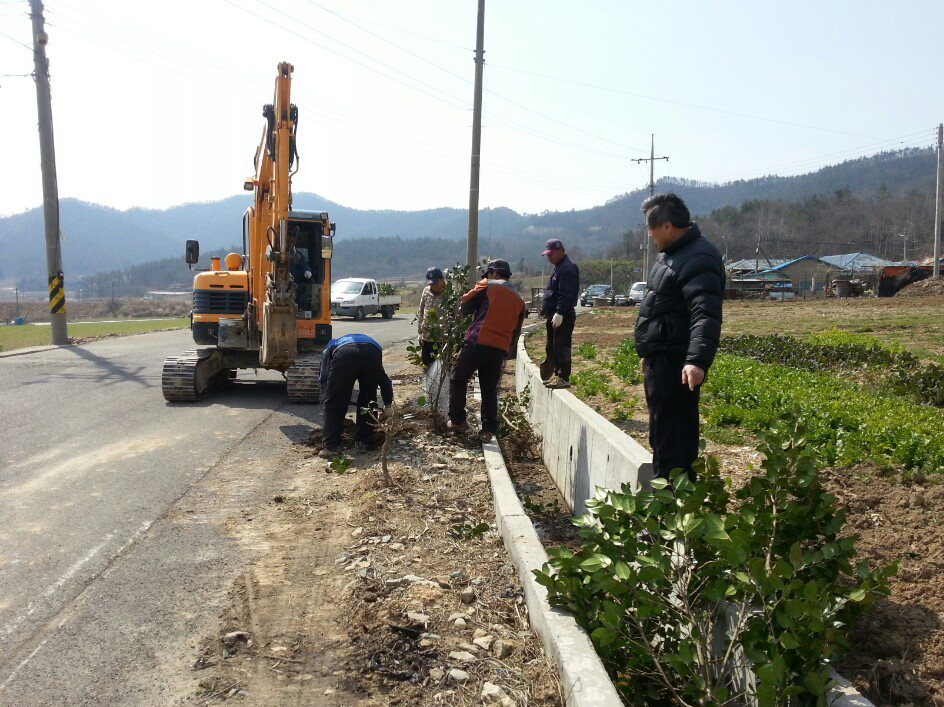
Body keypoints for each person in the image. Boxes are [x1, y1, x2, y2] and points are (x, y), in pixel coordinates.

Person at [633, 193, 724, 482]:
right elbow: (660, 308)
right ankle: (666, 509)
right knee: (661, 437)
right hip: (663, 361)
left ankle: (674, 514)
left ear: (668, 226)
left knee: (675, 442)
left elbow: (705, 312)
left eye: (651, 229)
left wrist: (696, 360)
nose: (649, 236)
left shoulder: (698, 257)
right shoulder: (672, 256)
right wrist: (649, 353)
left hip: (677, 366)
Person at [447, 259, 526, 443]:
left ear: (493, 273)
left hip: (477, 341)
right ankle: (488, 430)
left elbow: (465, 305)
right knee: (489, 389)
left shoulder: (488, 285)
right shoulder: (519, 299)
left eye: (488, 274)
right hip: (499, 349)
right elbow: (517, 330)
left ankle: (457, 420)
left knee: (458, 378)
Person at [319, 333, 394, 458]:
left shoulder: (332, 345)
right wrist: (388, 404)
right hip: (371, 353)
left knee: (335, 401)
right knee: (369, 398)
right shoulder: (374, 346)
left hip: (345, 354)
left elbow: (324, 374)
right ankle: (363, 441)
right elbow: (384, 380)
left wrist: (327, 391)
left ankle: (331, 447)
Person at [540, 239, 580, 389]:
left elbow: (566, 293)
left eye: (551, 254)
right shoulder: (558, 267)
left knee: (561, 346)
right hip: (554, 314)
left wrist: (560, 312)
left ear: (560, 251)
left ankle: (564, 377)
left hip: (563, 315)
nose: (549, 258)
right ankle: (557, 373)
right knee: (552, 346)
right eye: (547, 255)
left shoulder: (568, 269)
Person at [417, 267, 446, 368]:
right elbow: (421, 311)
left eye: (435, 283)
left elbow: (455, 316)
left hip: (442, 340)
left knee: (441, 369)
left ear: (442, 280)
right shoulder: (426, 291)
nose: (433, 286)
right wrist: (420, 332)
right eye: (431, 284)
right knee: (427, 367)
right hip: (427, 338)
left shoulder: (449, 295)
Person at [287, 230, 313, 313]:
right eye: (288, 241)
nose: (289, 244)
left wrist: (307, 271)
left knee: (303, 287)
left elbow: (304, 265)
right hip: (282, 282)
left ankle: (301, 308)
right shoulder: (278, 255)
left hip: (296, 281)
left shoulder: (298, 255)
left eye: (292, 242)